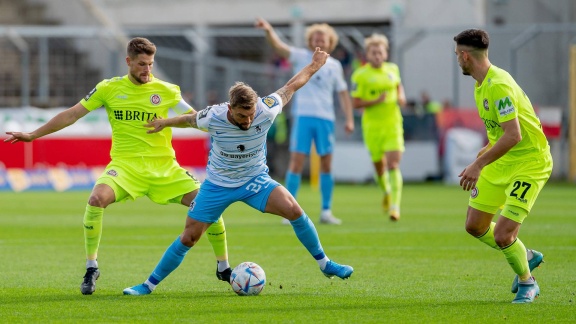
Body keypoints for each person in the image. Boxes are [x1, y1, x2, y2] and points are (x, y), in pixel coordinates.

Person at [4, 37, 231, 295]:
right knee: (96, 199)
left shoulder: (167, 90)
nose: (147, 70)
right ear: (128, 62)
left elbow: (194, 119)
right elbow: (72, 115)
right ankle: (92, 267)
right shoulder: (108, 88)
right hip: (125, 167)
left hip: (165, 168)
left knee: (208, 205)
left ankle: (223, 266)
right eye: (142, 64)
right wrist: (33, 134)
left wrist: (168, 122)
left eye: (151, 64)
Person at [122, 47, 353, 296]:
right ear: (231, 109)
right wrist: (164, 122)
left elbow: (292, 86)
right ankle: (148, 286)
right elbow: (189, 119)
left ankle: (325, 264)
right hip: (218, 185)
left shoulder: (266, 108)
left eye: (251, 115)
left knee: (294, 210)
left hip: (255, 180)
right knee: (189, 236)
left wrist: (315, 65)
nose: (248, 122)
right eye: (243, 116)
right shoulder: (214, 116)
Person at [453, 29, 552, 303]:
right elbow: (500, 133)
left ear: (464, 56)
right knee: (475, 226)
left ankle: (527, 282)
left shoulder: (498, 85)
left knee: (502, 234)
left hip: (529, 163)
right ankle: (526, 255)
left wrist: (477, 165)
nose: (456, 61)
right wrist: (483, 153)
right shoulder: (480, 83)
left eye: (456, 56)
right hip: (502, 160)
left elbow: (514, 135)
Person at [255, 18, 354, 225]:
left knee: (326, 164)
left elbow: (343, 93)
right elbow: (279, 47)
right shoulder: (301, 57)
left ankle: (326, 211)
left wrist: (349, 118)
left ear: (330, 42)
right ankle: (289, 210)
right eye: (315, 37)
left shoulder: (334, 66)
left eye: (323, 38)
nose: (319, 40)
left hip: (325, 119)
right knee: (296, 162)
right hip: (303, 116)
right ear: (310, 40)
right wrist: (269, 29)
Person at [350, 34, 407, 221]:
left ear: (385, 53)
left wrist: (401, 97)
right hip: (372, 126)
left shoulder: (393, 69)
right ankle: (386, 191)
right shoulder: (360, 75)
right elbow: (355, 103)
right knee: (379, 167)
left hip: (392, 124)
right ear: (368, 54)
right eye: (373, 52)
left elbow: (398, 86)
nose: (377, 55)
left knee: (393, 164)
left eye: (380, 52)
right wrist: (376, 101)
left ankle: (395, 207)